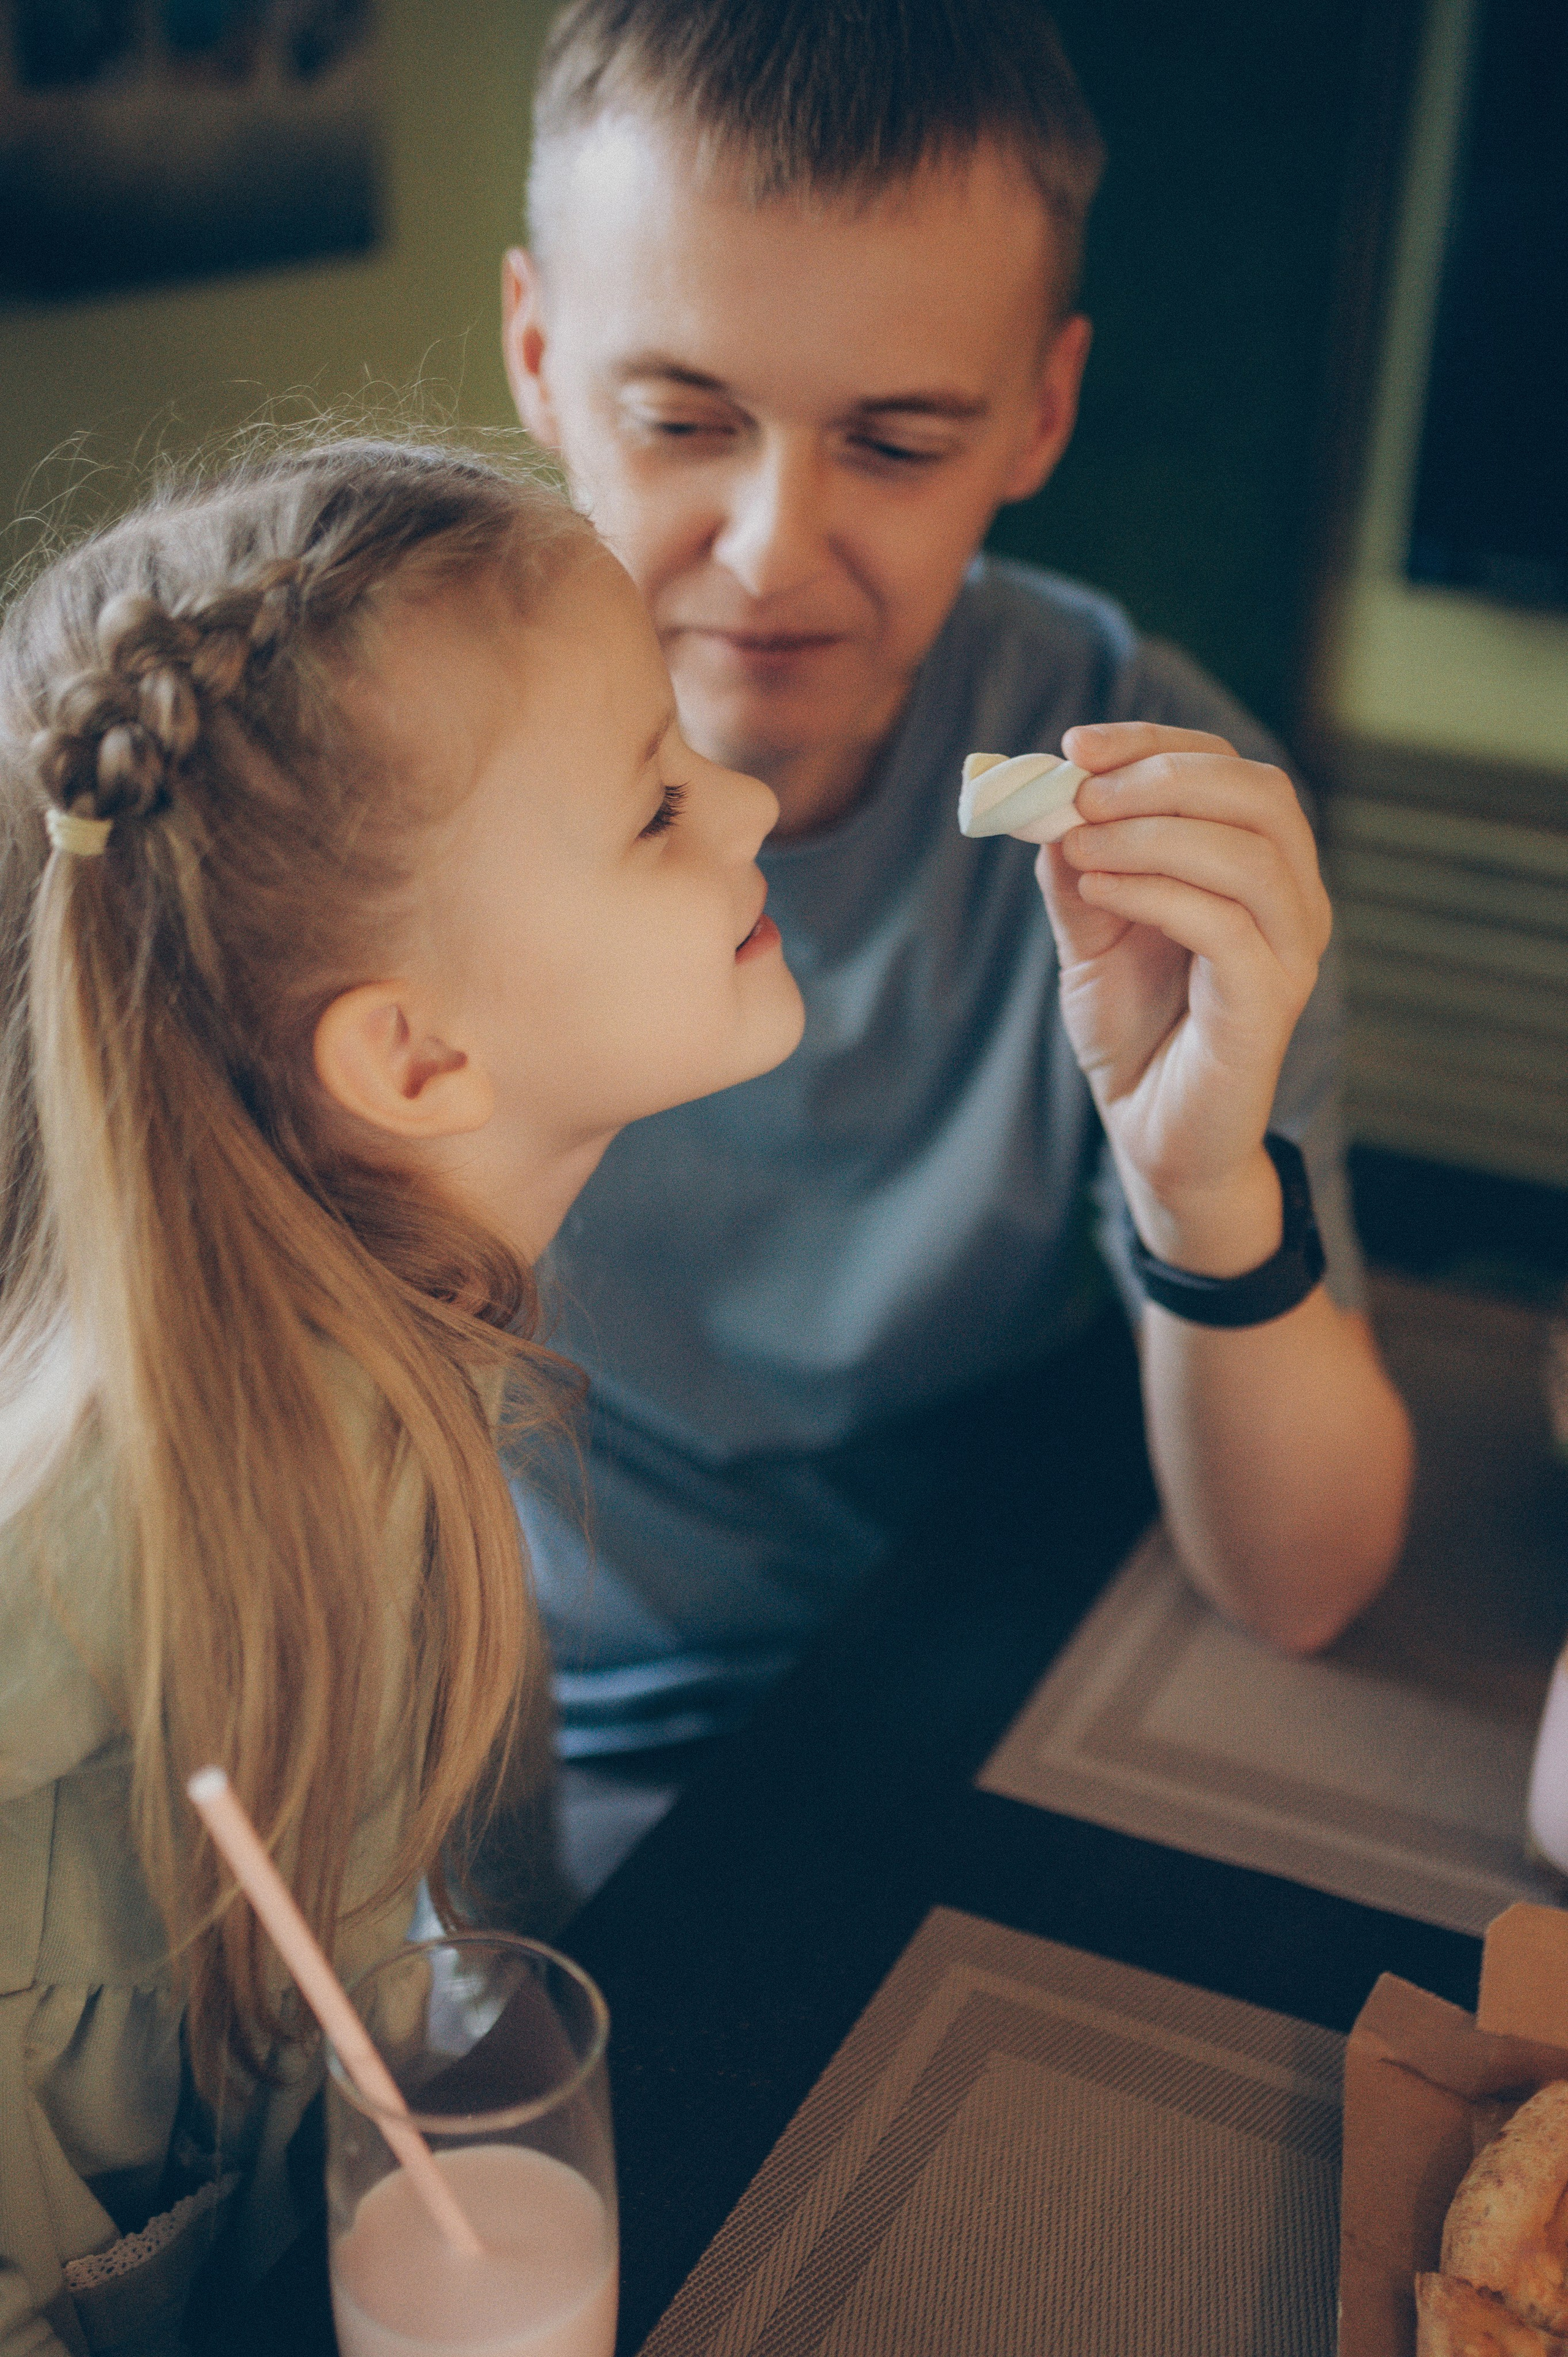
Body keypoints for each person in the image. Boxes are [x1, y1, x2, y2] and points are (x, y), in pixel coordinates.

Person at [499, 0, 1415, 1822]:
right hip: (476, 1720)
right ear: (536, 350)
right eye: (684, 418)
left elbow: (1303, 1585)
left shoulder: (1148, 814)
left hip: (957, 1688)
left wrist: (1202, 1186)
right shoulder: (386, 771)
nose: (772, 548)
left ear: (1043, 413)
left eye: (897, 443)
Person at [0, 438, 803, 2355]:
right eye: (654, 809)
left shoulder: (400, 1335)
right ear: (421, 1055)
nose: (755, 800)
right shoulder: (111, 1510)